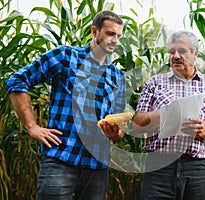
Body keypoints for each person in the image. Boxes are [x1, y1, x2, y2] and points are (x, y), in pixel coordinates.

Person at [6, 10, 126, 199]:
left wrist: (116, 134)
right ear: (95, 31)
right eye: (110, 33)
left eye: (118, 36)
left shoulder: (117, 77)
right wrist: (32, 127)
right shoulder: (65, 56)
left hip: (96, 167)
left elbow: (118, 129)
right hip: (61, 158)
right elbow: (18, 80)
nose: (115, 40)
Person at [133, 30, 205, 200]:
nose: (176, 56)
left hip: (197, 169)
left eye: (182, 51)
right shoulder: (154, 83)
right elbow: (137, 124)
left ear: (195, 54)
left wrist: (204, 131)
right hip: (159, 167)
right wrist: (163, 114)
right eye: (172, 52)